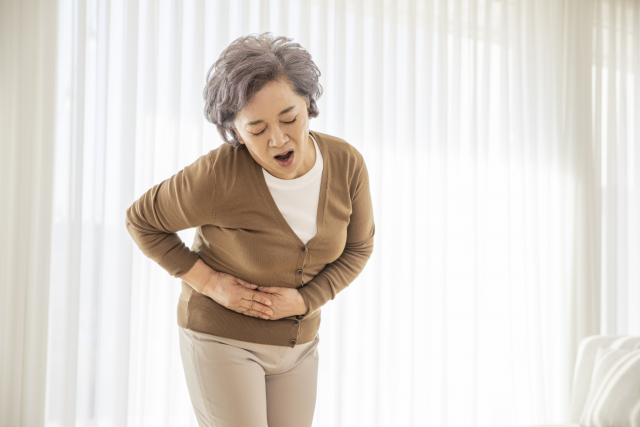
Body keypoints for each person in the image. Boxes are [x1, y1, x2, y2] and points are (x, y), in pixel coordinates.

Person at [125, 32, 375, 427]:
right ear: (235, 132)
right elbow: (142, 220)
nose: (277, 139)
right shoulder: (219, 174)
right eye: (256, 130)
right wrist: (210, 284)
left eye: (289, 118)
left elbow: (358, 248)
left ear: (309, 105)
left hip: (299, 344)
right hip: (221, 340)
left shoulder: (346, 164)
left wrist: (307, 299)